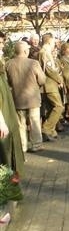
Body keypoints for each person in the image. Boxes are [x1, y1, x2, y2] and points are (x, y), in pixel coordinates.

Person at [5, 40, 46, 153]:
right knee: (35, 121)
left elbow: (6, 82)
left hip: (17, 98)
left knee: (20, 124)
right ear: (24, 50)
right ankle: (36, 144)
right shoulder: (34, 63)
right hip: (32, 98)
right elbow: (42, 80)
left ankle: (22, 146)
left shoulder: (8, 64)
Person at [0, 32, 25, 178]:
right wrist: (1, 121)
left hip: (6, 111)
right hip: (2, 114)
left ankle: (11, 190)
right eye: (0, 44)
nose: (2, 48)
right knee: (4, 154)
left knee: (8, 153)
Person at [38, 33, 65, 141]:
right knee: (59, 107)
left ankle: (51, 132)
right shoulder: (43, 52)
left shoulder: (46, 52)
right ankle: (46, 129)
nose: (55, 43)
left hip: (50, 84)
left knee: (51, 108)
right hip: (49, 85)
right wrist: (60, 79)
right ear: (49, 41)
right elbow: (49, 70)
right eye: (53, 41)